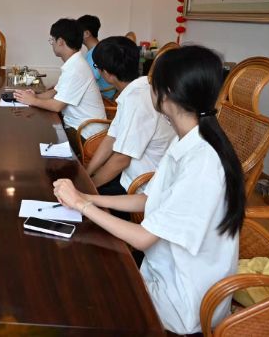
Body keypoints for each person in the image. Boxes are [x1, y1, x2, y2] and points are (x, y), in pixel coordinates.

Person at [52, 45, 245, 335]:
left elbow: (143, 239)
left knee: (77, 289)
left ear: (167, 93)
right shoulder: (190, 139)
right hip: (164, 275)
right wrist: (87, 196)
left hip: (182, 304)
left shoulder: (203, 161)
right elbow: (147, 199)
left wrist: (83, 206)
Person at [86, 37, 175, 197]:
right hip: (130, 176)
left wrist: (88, 188)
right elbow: (111, 138)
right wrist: (87, 174)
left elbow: (121, 159)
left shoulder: (136, 100)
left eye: (97, 67)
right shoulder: (140, 87)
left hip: (141, 186)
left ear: (106, 73)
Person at [14, 18, 106, 140]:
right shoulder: (74, 63)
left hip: (86, 134)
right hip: (78, 126)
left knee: (35, 134)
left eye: (52, 40)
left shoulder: (75, 68)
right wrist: (35, 96)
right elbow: (55, 92)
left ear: (60, 41)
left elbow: (57, 106)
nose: (52, 44)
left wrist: (33, 101)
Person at [78, 14, 115, 99]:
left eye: (78, 32)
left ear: (87, 33)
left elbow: (88, 81)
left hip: (104, 98)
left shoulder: (95, 52)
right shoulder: (97, 49)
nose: (75, 35)